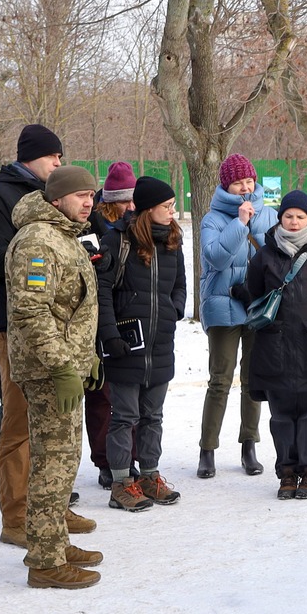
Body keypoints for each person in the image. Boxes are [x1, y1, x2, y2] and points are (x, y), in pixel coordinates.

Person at [5, 164, 105, 588]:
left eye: (92, 195)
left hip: (66, 363)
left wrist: (87, 356)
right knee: (52, 463)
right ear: (56, 199)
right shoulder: (37, 242)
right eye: (80, 195)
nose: (89, 202)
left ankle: (55, 542)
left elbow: (71, 307)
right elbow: (32, 310)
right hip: (48, 370)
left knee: (63, 462)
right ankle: (45, 563)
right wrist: (63, 365)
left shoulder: (61, 235)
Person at [233, 190, 307, 500]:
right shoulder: (266, 255)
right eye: (288, 216)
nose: (294, 222)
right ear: (280, 219)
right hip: (276, 347)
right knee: (282, 416)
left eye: (300, 216)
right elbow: (255, 291)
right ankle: (287, 472)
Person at [96, 175, 186, 511]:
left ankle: (149, 475)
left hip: (160, 345)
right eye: (166, 206)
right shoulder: (117, 241)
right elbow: (102, 293)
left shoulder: (173, 240)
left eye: (172, 205)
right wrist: (111, 335)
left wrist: (173, 310)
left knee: (154, 416)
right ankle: (121, 483)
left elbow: (180, 286)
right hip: (125, 345)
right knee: (124, 416)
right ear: (147, 210)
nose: (172, 211)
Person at [196, 154, 273, 479]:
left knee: (253, 380)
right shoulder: (212, 219)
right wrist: (239, 224)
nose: (245, 187)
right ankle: (207, 449)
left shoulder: (267, 213)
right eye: (238, 182)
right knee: (220, 380)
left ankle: (249, 445)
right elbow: (214, 257)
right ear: (226, 184)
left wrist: (256, 222)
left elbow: (275, 255)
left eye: (248, 181)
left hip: (256, 306)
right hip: (222, 306)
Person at [85, 161, 137, 489]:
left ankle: (127, 455)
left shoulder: (136, 225)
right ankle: (104, 459)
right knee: (102, 395)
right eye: (124, 202)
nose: (131, 207)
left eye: (134, 201)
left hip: (128, 319)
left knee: (130, 394)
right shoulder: (93, 225)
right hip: (96, 321)